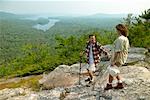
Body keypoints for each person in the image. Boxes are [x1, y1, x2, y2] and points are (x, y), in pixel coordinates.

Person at [104, 24, 130, 90]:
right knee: (115, 70)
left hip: (118, 58)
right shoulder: (125, 38)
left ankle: (109, 85)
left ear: (119, 30)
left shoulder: (120, 39)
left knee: (111, 71)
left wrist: (113, 61)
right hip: (122, 57)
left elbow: (118, 51)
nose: (116, 31)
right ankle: (120, 83)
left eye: (117, 30)